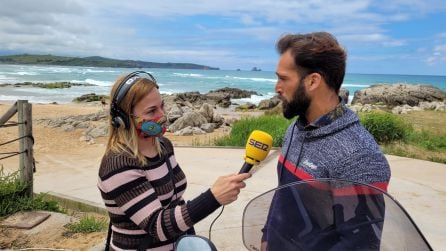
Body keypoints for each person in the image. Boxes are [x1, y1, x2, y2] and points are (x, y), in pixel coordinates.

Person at [261, 32, 391, 250]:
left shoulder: (359, 156)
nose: (277, 87)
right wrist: (267, 237)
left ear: (313, 81)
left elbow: (360, 245)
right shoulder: (296, 128)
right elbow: (284, 194)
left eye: (283, 78)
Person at [97, 71, 251, 250]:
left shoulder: (163, 146)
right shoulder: (118, 164)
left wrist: (190, 239)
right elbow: (157, 225)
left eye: (162, 106)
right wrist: (213, 197)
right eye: (151, 111)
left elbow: (176, 202)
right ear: (122, 120)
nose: (162, 115)